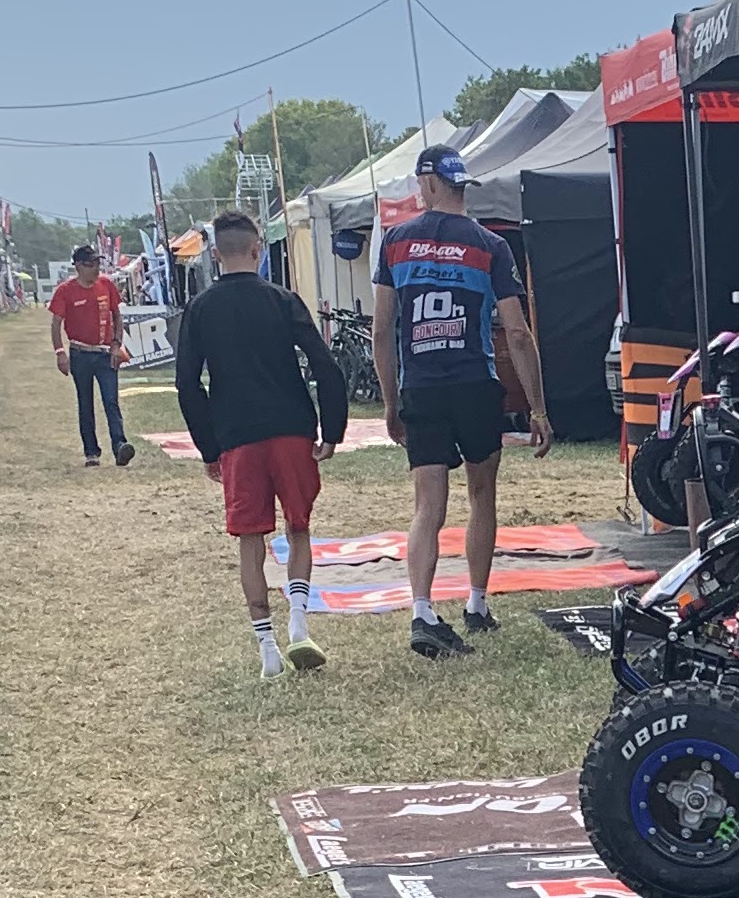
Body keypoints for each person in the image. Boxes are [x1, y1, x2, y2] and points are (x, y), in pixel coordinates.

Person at [372, 146, 550, 660]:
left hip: (421, 386)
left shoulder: (396, 242)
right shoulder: (491, 245)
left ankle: (422, 611)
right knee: (481, 494)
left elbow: (383, 330)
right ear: (461, 186)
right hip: (475, 382)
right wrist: (537, 408)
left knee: (428, 506)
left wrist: (390, 401)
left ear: (428, 184)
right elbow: (517, 333)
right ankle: (476, 602)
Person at [173, 210, 348, 676]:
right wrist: (332, 429)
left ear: (215, 255)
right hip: (291, 428)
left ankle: (267, 648)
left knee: (250, 538)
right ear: (258, 250)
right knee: (298, 528)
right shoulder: (283, 299)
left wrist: (208, 447)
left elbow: (188, 385)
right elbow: (325, 365)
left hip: (236, 435)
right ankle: (299, 621)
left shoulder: (200, 309)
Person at [49, 244, 137, 468]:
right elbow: (56, 323)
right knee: (85, 401)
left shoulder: (106, 285)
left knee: (111, 400)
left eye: (98, 264)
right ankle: (91, 452)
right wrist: (60, 352)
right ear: (79, 266)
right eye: (91, 265)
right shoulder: (65, 291)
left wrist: (116, 344)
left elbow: (117, 315)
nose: (96, 269)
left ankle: (120, 445)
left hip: (105, 353)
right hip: (80, 353)